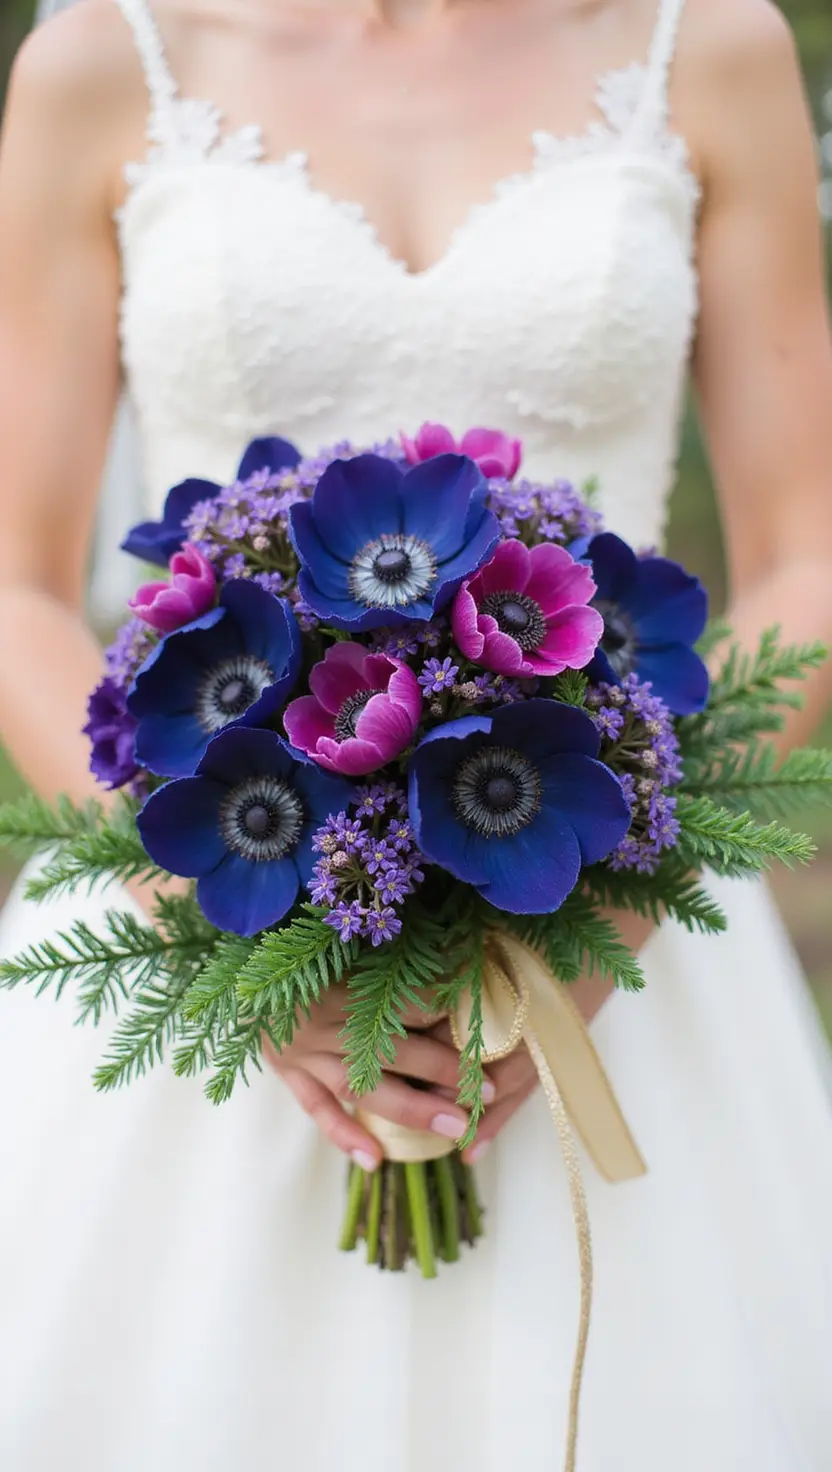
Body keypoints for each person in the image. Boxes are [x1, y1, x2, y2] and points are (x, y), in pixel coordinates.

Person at [0, 0, 831, 1467]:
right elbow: (14, 575)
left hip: (622, 922)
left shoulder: (709, 44)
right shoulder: (100, 60)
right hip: (208, 893)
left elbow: (805, 549)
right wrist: (225, 933)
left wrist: (608, 906)